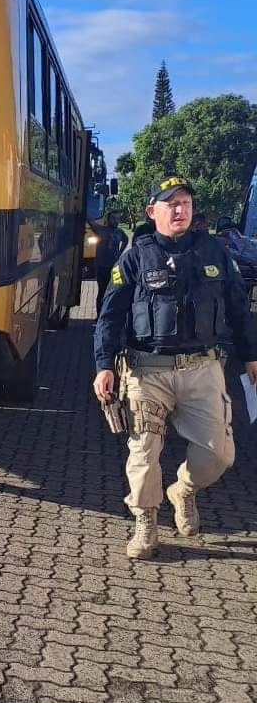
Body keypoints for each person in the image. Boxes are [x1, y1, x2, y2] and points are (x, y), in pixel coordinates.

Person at [93, 176, 257, 559]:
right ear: (153, 213)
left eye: (185, 203)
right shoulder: (135, 256)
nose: (180, 209)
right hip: (147, 370)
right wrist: (104, 365)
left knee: (219, 454)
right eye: (171, 204)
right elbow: (109, 316)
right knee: (144, 450)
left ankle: (183, 490)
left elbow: (238, 307)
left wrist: (251, 355)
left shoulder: (214, 252)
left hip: (203, 368)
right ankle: (146, 522)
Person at [91, 212, 128, 314]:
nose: (115, 221)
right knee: (102, 291)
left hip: (114, 266)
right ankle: (99, 315)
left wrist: (120, 253)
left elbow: (126, 240)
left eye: (117, 219)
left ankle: (110, 313)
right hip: (101, 265)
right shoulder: (101, 230)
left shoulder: (120, 232)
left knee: (114, 290)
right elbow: (91, 223)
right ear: (107, 220)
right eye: (113, 219)